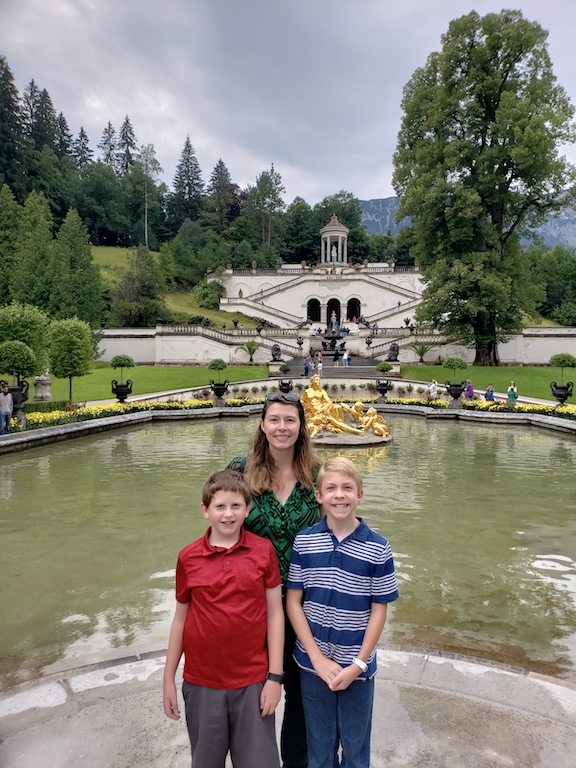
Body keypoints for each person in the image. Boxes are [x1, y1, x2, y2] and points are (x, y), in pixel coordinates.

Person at [163, 469, 285, 768]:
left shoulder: (263, 551)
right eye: (220, 506)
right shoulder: (188, 557)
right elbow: (181, 618)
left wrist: (275, 678)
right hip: (203, 681)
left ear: (247, 509)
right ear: (205, 510)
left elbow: (275, 613)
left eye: (235, 506)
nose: (228, 514)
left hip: (253, 681)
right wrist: (168, 678)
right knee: (206, 760)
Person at [227, 393, 321, 768]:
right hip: (252, 604)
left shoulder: (316, 474)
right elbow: (225, 525)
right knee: (253, 693)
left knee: (301, 697)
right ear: (262, 425)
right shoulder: (240, 470)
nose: (282, 428)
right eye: (275, 420)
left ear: (301, 428)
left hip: (306, 604)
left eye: (290, 421)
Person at [286, 457, 398, 768]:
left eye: (347, 488)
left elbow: (379, 610)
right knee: (319, 750)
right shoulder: (305, 542)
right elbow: (293, 602)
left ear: (360, 494)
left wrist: (359, 664)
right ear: (319, 495)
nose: (339, 495)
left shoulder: (378, 547)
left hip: (357, 668)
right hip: (312, 666)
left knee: (356, 750)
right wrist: (317, 659)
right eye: (331, 488)